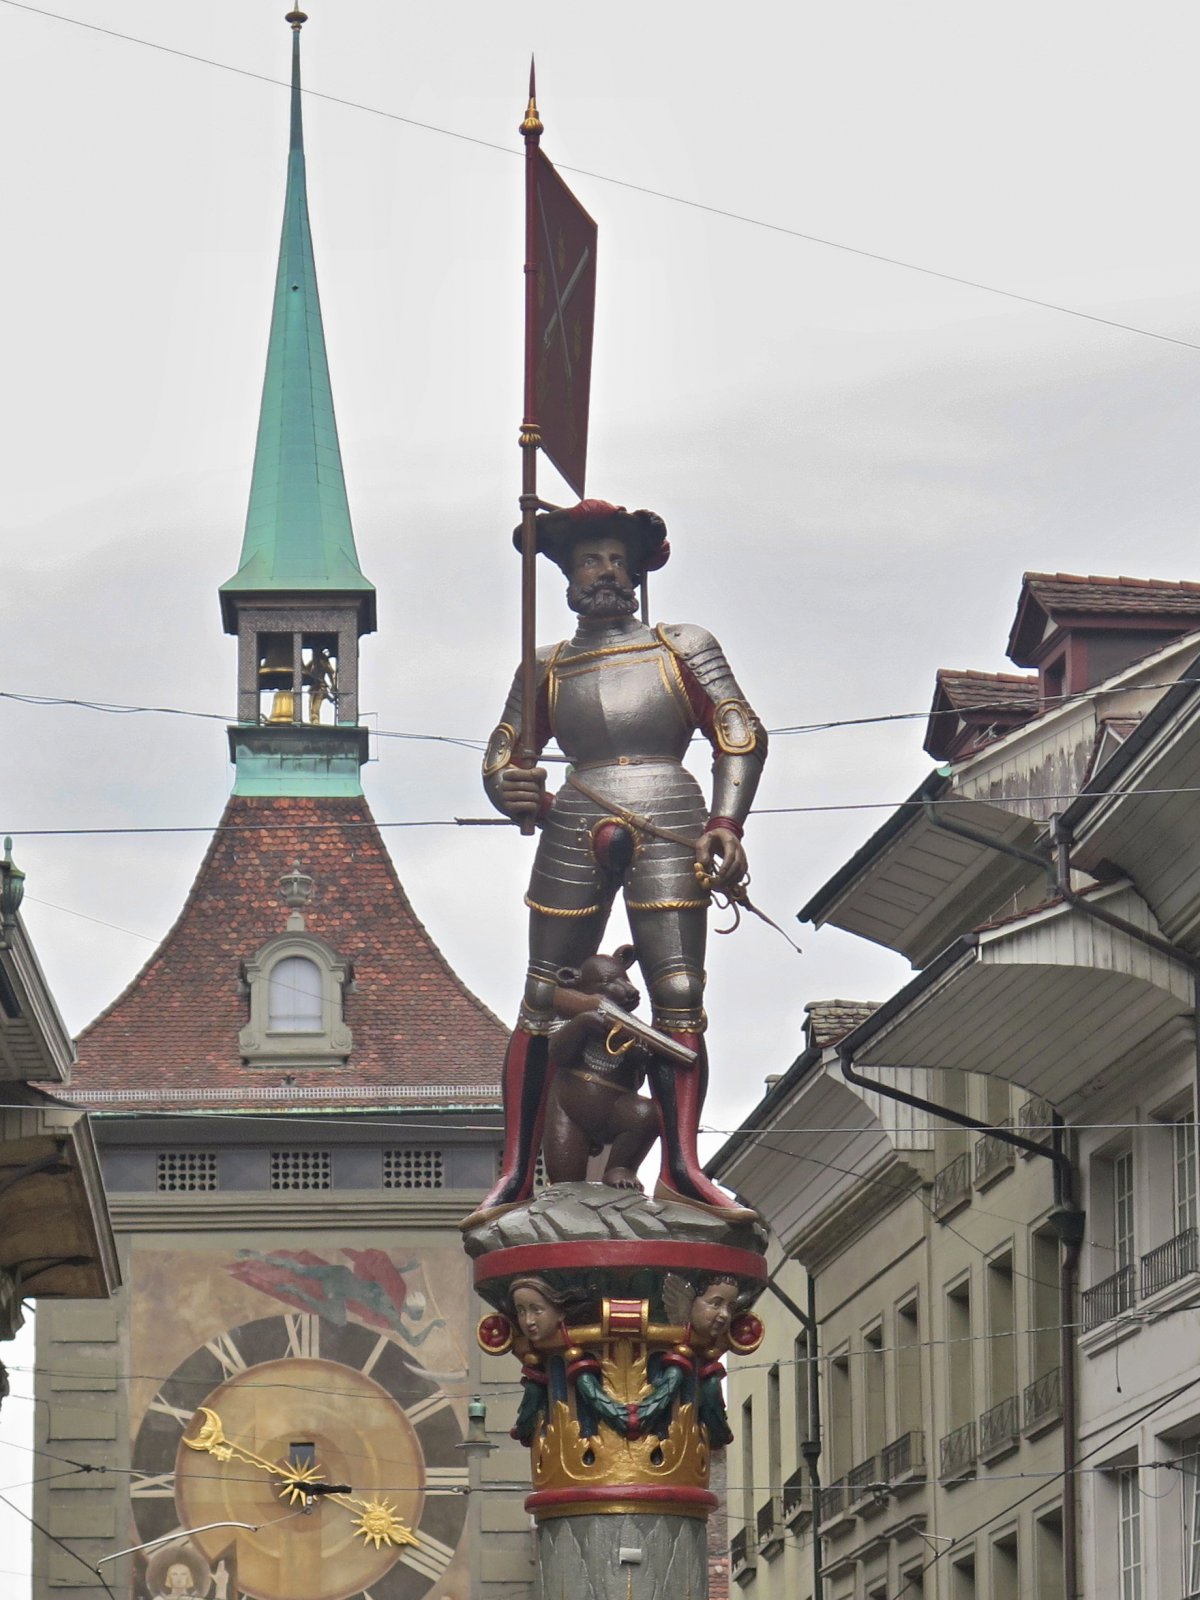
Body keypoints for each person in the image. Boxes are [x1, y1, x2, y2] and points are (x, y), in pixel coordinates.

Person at [477, 499, 767, 1217]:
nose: (603, 571)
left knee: (678, 992)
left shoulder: (681, 646)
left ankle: (683, 1167)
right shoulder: (544, 665)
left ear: (636, 572)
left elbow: (738, 732)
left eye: (615, 559)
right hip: (576, 814)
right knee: (541, 993)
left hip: (667, 802)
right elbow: (504, 751)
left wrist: (726, 821)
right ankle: (516, 1172)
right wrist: (509, 788)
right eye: (588, 560)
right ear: (568, 576)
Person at [542, 945, 661, 1190]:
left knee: (645, 1113)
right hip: (570, 1110)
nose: (627, 990)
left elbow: (636, 1082)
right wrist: (583, 1024)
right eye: (609, 983)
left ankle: (621, 1167)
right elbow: (559, 1054)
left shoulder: (632, 1030)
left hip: (617, 1107)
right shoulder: (572, 1015)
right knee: (565, 1184)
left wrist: (638, 1056)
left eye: (625, 981)